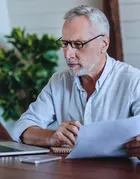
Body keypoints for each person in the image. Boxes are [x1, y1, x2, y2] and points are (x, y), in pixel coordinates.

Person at [13, 5, 140, 157]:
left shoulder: (134, 81)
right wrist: (52, 137)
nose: (67, 54)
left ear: (103, 44)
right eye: (65, 44)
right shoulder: (58, 82)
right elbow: (21, 128)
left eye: (78, 44)